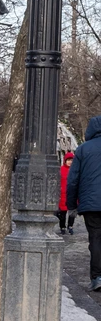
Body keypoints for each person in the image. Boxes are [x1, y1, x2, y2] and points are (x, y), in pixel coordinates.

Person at [67, 116, 101, 292]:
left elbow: (73, 180)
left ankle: (97, 277)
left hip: (91, 204)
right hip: (91, 201)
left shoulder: (83, 150)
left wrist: (71, 204)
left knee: (95, 238)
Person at [57, 152, 77, 235]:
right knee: (62, 213)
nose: (70, 162)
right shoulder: (61, 169)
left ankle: (70, 226)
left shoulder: (76, 170)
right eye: (68, 160)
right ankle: (62, 227)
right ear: (65, 161)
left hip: (73, 193)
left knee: (72, 212)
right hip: (62, 194)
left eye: (71, 160)